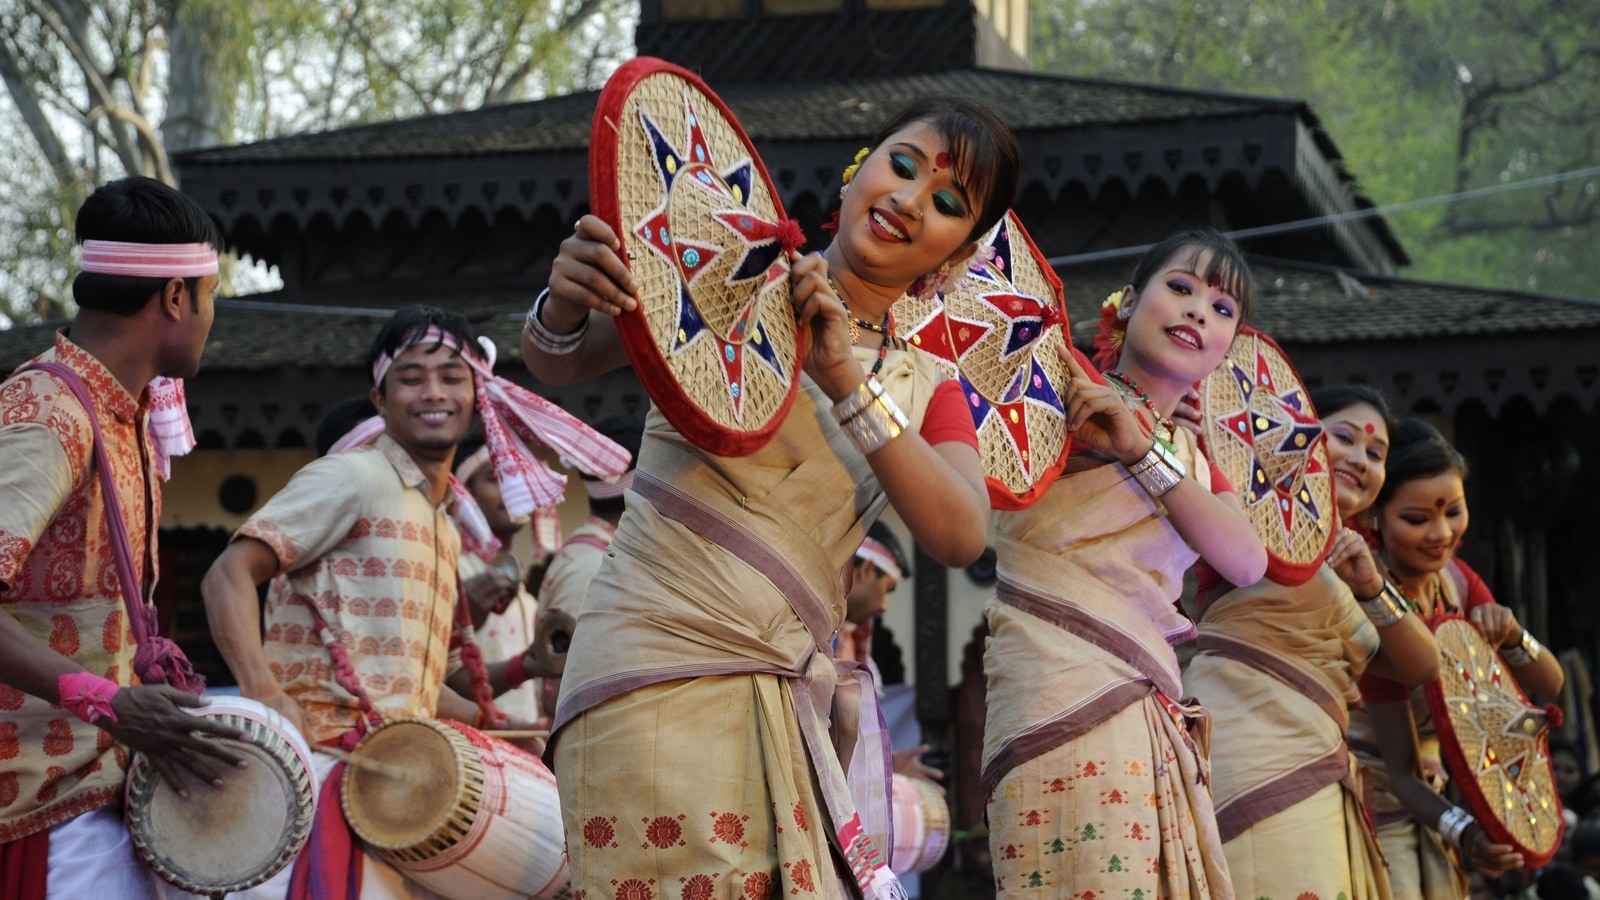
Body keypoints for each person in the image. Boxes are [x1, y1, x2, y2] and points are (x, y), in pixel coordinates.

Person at [523, 96, 1012, 898]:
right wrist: (565, 299)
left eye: (949, 203)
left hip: (787, 696)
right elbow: (562, 360)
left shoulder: (928, 385)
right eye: (903, 165)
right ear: (859, 171)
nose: (910, 199)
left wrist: (846, 380)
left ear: (955, 255)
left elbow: (961, 533)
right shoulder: (727, 270)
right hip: (648, 664)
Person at [204, 305, 626, 898]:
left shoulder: (443, 521)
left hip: (396, 788)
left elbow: (429, 688)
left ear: (478, 394)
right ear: (378, 399)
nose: (434, 392)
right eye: (411, 377)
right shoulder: (350, 477)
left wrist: (510, 706)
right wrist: (266, 694)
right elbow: (227, 575)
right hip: (318, 776)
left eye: (452, 377)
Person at [982, 230, 1268, 899]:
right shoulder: (1059, 384)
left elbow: (1247, 560)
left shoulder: (1194, 461)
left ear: (1230, 346)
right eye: (1181, 288)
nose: (1200, 311)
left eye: (1223, 309)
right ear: (1128, 302)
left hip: (1146, 696)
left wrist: (1145, 452)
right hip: (1052, 682)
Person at [0, 176, 244, 898]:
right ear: (175, 298)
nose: (210, 318)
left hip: (95, 793)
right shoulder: (48, 415)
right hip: (38, 811)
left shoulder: (120, 412)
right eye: (210, 298)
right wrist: (104, 698)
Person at [1183, 384, 1441, 900]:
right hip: (1247, 751)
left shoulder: (1358, 565)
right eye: (1343, 437)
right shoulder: (1241, 514)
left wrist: (1370, 585)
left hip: (1318, 763)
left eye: (1376, 453)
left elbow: (1422, 666)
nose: (1359, 458)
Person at [1351, 419, 1565, 900]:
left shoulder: (1457, 582)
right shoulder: (1371, 602)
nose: (1440, 533)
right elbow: (1401, 774)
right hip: (1373, 801)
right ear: (1375, 519)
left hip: (1437, 800)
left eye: (1453, 511)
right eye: (1416, 518)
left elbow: (1553, 685)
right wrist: (1467, 834)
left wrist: (1511, 633)